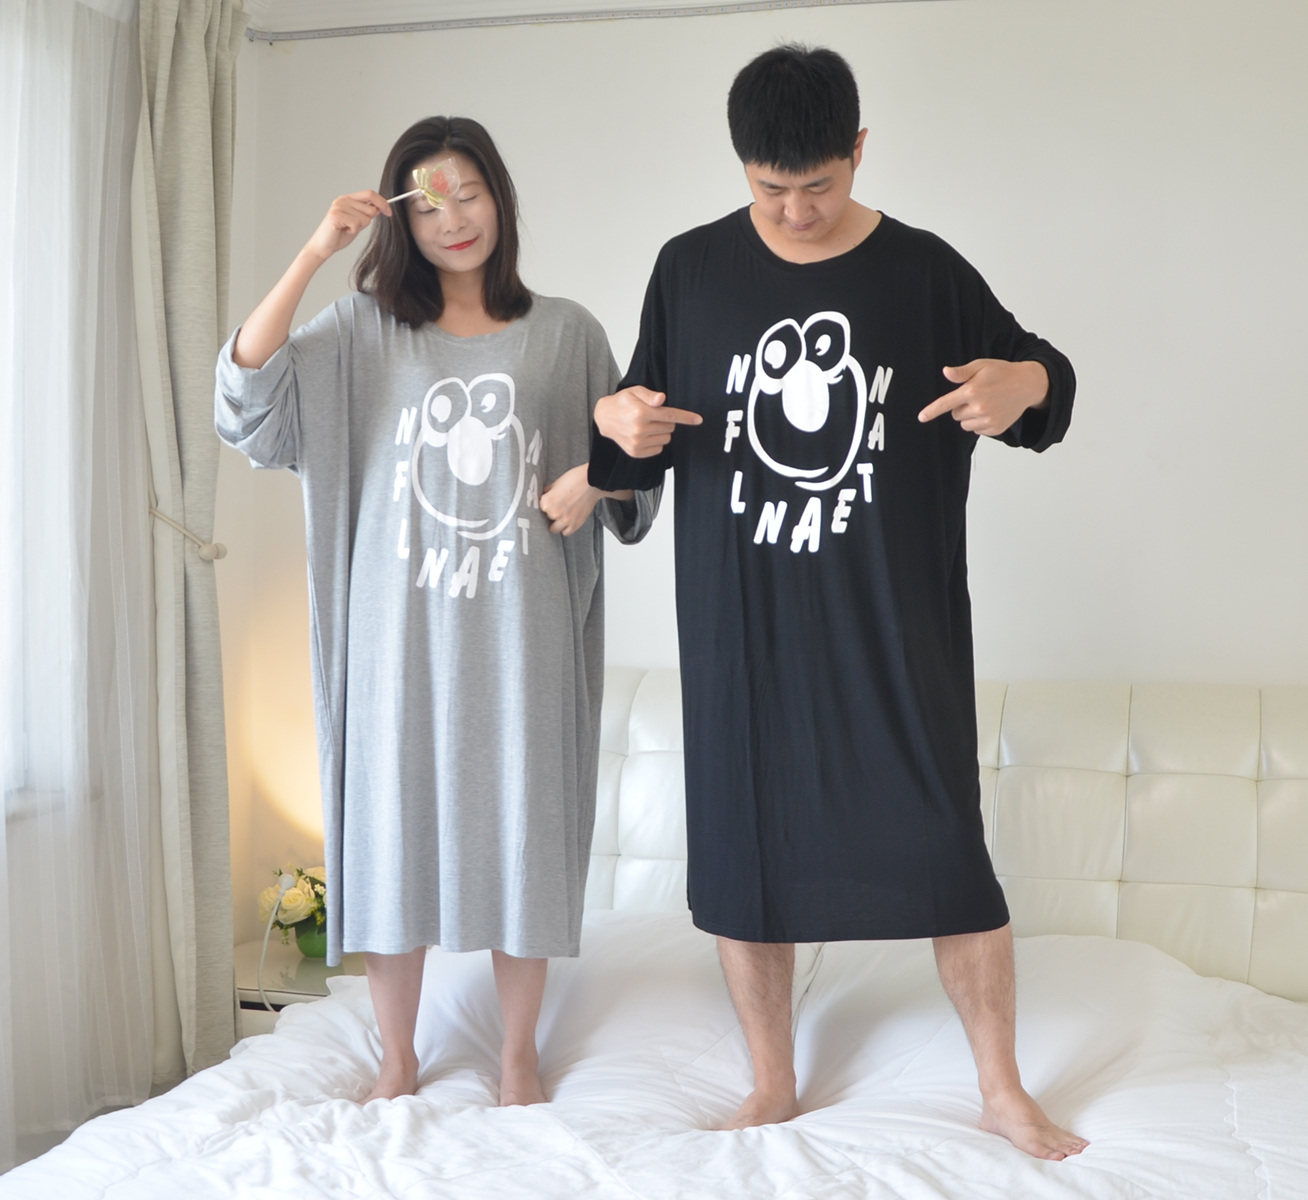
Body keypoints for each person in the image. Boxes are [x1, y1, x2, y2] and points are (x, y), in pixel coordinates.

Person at [588, 45, 1086, 1159]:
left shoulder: (925, 273)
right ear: (742, 166)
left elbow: (1043, 381)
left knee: (949, 854)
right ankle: (773, 1081)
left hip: (893, 632)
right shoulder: (690, 269)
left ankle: (1002, 1089)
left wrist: (1025, 383)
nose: (796, 212)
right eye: (771, 188)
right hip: (743, 634)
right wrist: (613, 424)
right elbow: (631, 439)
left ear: (859, 150)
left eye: (817, 184)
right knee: (745, 860)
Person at [216, 116, 656, 1106]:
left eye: (470, 193)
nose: (453, 219)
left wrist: (597, 479)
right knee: (391, 835)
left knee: (525, 832)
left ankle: (517, 1055)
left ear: (500, 197)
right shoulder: (360, 332)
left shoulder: (568, 335)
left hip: (523, 640)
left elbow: (635, 473)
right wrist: (314, 253)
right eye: (428, 203)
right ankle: (397, 1057)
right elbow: (245, 395)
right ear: (400, 221)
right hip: (396, 645)